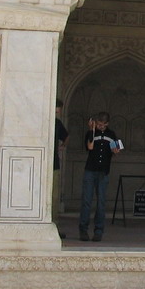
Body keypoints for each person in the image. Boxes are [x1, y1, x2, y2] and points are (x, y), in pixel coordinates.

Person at [78, 111, 122, 242]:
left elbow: (116, 150)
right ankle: (83, 229)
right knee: (87, 201)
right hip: (90, 170)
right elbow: (90, 146)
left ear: (107, 124)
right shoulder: (91, 133)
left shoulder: (111, 134)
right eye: (99, 124)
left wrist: (116, 150)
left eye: (103, 125)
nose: (101, 127)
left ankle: (98, 230)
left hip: (103, 172)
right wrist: (92, 130)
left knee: (101, 203)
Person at [53, 99, 69, 238]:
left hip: (54, 163)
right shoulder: (43, 122)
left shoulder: (57, 123)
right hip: (41, 164)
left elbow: (66, 136)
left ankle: (54, 225)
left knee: (54, 196)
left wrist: (62, 146)